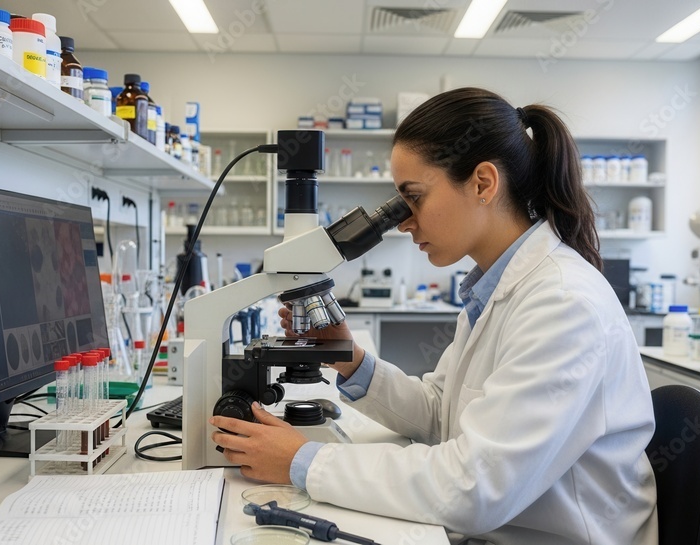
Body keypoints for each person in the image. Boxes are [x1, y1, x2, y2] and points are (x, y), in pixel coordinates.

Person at [210, 87, 658, 544]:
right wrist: (348, 358)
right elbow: (442, 416)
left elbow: (476, 487)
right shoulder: (497, 287)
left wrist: (303, 460)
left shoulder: (563, 305)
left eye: (415, 197)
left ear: (483, 183)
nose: (403, 222)